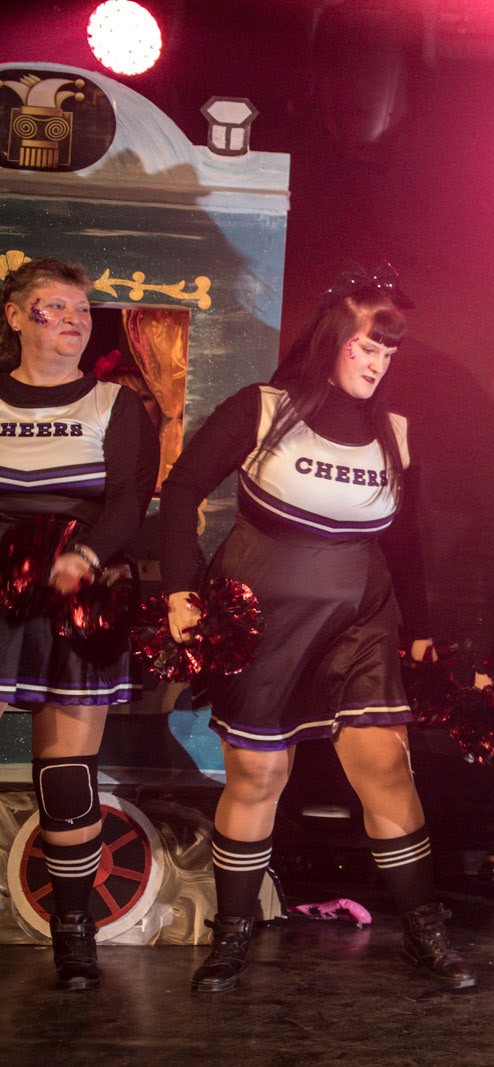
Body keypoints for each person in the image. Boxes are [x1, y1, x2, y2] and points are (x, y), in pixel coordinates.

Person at [160, 265, 474, 993]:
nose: (377, 362)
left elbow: (404, 544)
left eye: (388, 352)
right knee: (259, 774)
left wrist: (420, 627)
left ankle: (425, 933)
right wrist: (179, 590)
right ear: (332, 338)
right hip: (262, 618)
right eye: (366, 346)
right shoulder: (262, 408)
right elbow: (181, 491)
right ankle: (232, 935)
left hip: (359, 621)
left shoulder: (394, 432)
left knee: (386, 767)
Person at [0, 258, 157, 990]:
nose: (72, 319)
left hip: (78, 591)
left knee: (66, 771)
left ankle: (73, 927)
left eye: (82, 309)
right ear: (14, 316)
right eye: (53, 306)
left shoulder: (114, 404)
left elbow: (130, 498)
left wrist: (84, 556)